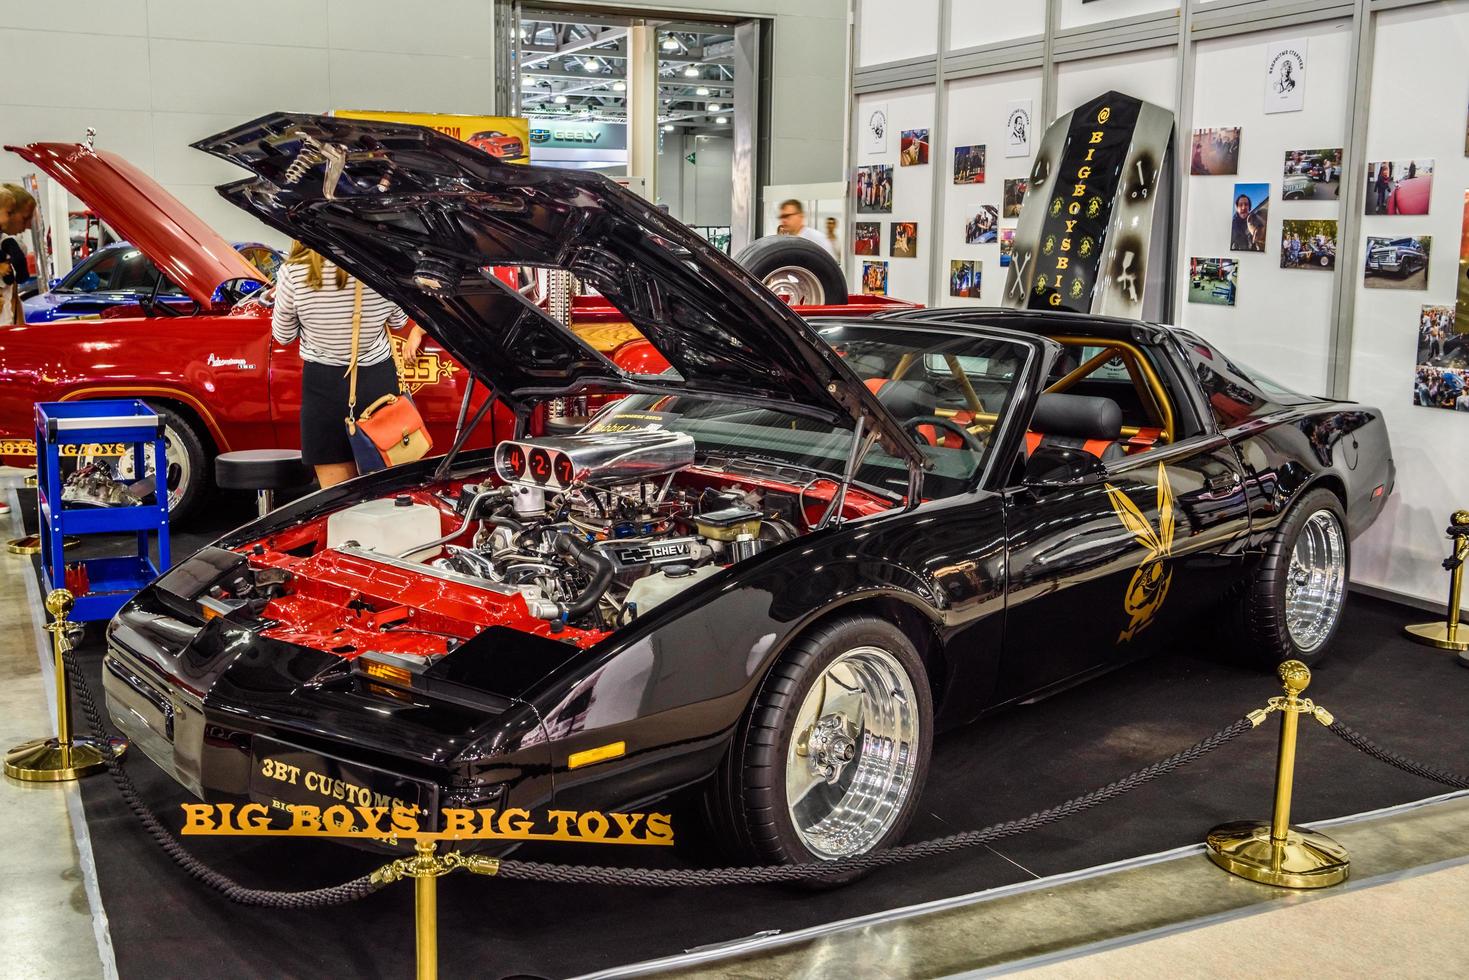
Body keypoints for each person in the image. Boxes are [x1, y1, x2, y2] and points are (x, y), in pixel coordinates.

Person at [272, 242, 423, 489]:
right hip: (378, 386)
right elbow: (398, 321)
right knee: (384, 492)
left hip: (323, 389)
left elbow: (283, 335)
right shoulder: (380, 267)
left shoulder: (294, 272)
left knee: (338, 499)